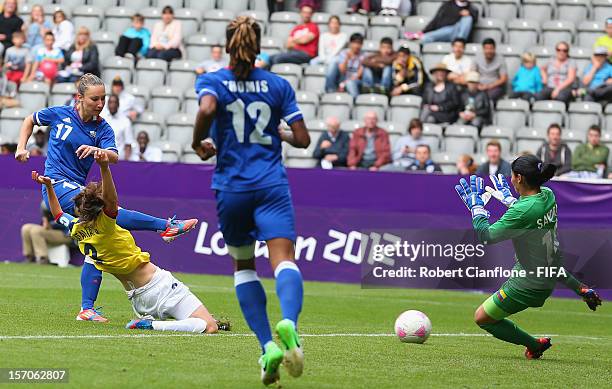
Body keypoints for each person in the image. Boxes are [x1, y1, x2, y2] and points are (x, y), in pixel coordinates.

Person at [14, 73, 198, 323]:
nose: (100, 104)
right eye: (94, 99)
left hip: (76, 189)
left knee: (97, 242)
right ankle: (165, 226)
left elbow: (113, 156)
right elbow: (29, 120)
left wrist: (98, 151)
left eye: (103, 98)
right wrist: (21, 147)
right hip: (55, 185)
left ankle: (86, 308)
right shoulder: (59, 114)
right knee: (109, 210)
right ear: (79, 98)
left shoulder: (102, 128)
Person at [192, 16, 309, 386]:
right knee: (284, 260)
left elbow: (208, 109)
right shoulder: (278, 85)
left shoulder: (213, 80)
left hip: (232, 188)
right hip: (271, 184)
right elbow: (304, 139)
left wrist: (200, 143)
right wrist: (281, 133)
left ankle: (266, 348)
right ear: (258, 46)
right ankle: (288, 321)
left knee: (244, 266)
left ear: (228, 45)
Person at [32, 158, 228, 334]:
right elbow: (112, 200)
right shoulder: (106, 223)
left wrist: (49, 187)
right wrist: (104, 168)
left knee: (200, 320)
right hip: (158, 285)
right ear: (102, 209)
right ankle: (152, 325)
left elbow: (57, 213)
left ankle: (159, 319)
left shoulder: (76, 229)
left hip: (137, 300)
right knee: (209, 326)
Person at [455, 158, 602, 360]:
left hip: (527, 284)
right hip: (547, 273)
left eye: (512, 176)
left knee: (482, 318)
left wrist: (476, 208)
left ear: (520, 177)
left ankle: (534, 345)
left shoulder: (522, 211)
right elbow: (530, 214)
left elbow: (486, 236)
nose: (511, 181)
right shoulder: (548, 195)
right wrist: (580, 288)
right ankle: (537, 341)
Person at [21, 200, 72, 265]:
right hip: (54, 232)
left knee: (36, 231)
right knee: (26, 228)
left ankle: (43, 258)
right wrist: (45, 218)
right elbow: (46, 227)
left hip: (67, 235)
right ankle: (29, 257)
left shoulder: (65, 207)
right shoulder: (46, 209)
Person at [404, 0, 477, 44]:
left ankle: (460, 42)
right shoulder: (447, 5)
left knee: (468, 18)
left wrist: (469, 13)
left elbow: (475, 16)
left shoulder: (471, 7)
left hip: (459, 32)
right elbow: (435, 20)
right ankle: (419, 36)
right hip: (445, 31)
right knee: (426, 38)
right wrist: (424, 31)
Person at [324, 32, 365, 98]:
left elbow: (359, 74)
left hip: (354, 80)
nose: (357, 46)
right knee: (333, 63)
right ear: (350, 43)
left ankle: (355, 101)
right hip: (342, 78)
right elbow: (342, 70)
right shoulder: (343, 53)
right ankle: (330, 91)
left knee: (350, 83)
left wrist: (349, 80)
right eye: (355, 43)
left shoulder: (363, 55)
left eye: (359, 43)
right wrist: (347, 59)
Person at [471, 38, 508, 103]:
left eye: (491, 48)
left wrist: (489, 86)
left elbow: (503, 78)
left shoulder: (500, 59)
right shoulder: (477, 57)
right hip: (479, 86)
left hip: (494, 87)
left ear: (494, 49)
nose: (489, 51)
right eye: (486, 48)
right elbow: (472, 74)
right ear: (483, 49)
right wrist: (478, 85)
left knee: (488, 96)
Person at [102, 94, 134, 160]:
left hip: (118, 160)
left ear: (118, 104)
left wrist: (126, 162)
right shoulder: (102, 119)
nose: (113, 105)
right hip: (102, 159)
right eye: (110, 102)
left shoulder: (125, 121)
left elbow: (128, 144)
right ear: (107, 105)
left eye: (115, 102)